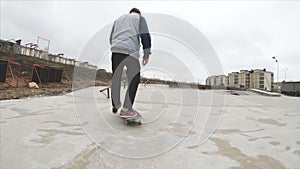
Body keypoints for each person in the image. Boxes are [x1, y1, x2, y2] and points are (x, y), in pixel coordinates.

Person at [109, 8, 151, 117]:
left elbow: (111, 37)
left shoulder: (118, 19)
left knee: (116, 78)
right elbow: (145, 36)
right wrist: (146, 55)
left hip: (116, 51)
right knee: (134, 79)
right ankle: (126, 108)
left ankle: (115, 104)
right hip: (131, 52)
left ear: (130, 12)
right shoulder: (139, 18)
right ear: (138, 13)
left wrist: (116, 47)